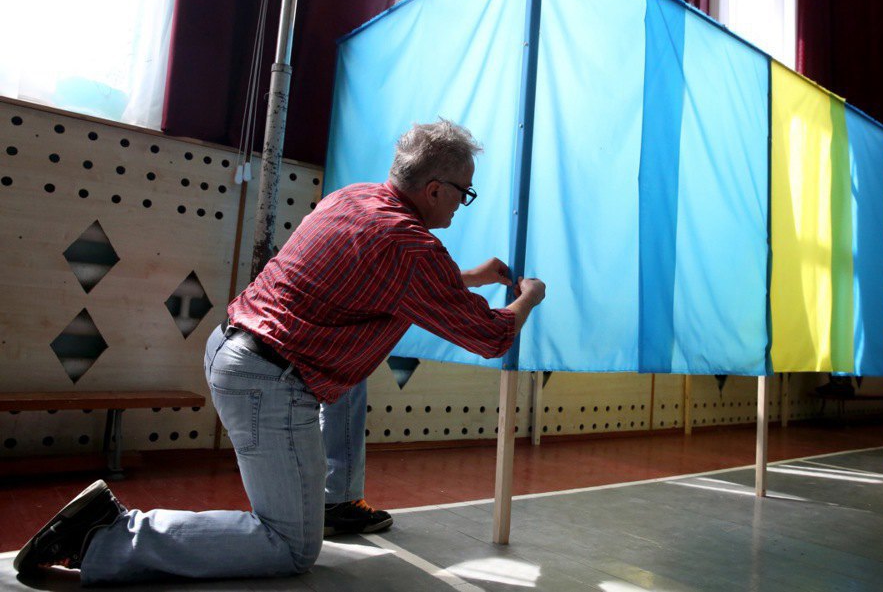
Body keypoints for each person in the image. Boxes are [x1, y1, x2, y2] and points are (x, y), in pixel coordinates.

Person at [14, 120, 546, 584]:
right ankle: (107, 534)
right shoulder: (412, 247)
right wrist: (529, 296)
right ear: (434, 189)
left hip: (235, 349)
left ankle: (111, 529)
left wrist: (469, 277)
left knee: (295, 523)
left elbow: (389, 278)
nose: (464, 202)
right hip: (269, 381)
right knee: (290, 545)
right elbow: (490, 337)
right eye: (464, 192)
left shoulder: (354, 198)